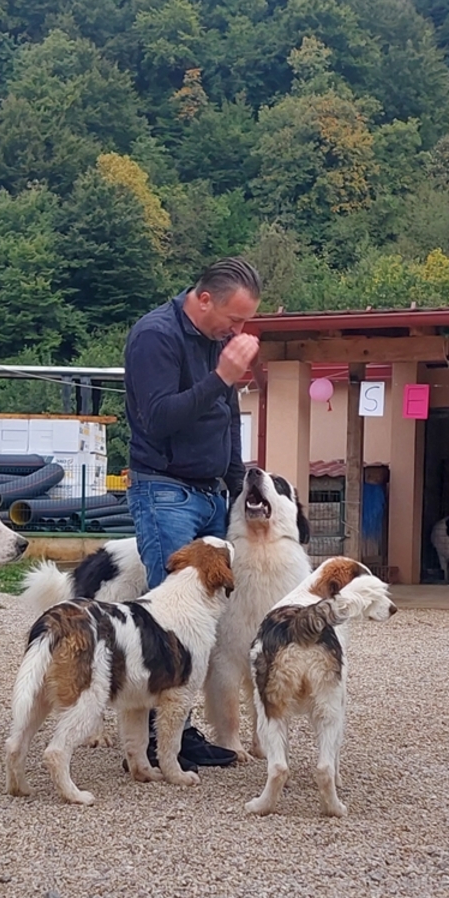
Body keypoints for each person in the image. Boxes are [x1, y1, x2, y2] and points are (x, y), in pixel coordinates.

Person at [124, 257, 262, 770]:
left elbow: (225, 415)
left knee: (202, 623)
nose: (239, 330)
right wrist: (222, 375)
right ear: (204, 299)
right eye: (235, 318)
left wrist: (235, 482)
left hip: (208, 494)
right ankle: (156, 743)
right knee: (170, 618)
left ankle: (177, 730)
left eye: (246, 322)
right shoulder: (153, 337)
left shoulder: (214, 341)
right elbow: (157, 419)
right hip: (164, 491)